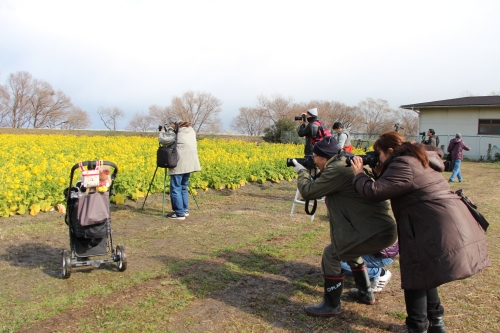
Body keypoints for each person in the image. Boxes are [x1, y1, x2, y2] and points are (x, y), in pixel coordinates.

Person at [350, 131, 490, 333]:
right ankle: (436, 322)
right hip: (441, 220)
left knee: (416, 274)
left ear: (390, 151)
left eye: (379, 154)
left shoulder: (403, 163)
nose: (378, 158)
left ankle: (417, 326)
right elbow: (395, 184)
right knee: (427, 273)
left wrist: (359, 174)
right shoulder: (416, 159)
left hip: (429, 224)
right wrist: (379, 170)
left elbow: (375, 192)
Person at [292, 136, 397, 317]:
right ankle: (365, 293)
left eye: (315, 157)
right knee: (349, 252)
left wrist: (302, 171)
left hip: (376, 233)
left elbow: (308, 191)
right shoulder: (341, 162)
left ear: (324, 158)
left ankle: (331, 304)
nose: (313, 160)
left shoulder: (337, 169)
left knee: (332, 254)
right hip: (378, 230)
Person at [165, 116, 201, 220]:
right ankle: (184, 210)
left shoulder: (176, 131)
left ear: (173, 124)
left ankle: (179, 213)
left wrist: (164, 131)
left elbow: (164, 141)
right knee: (183, 187)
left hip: (179, 162)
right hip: (190, 162)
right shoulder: (190, 130)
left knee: (175, 188)